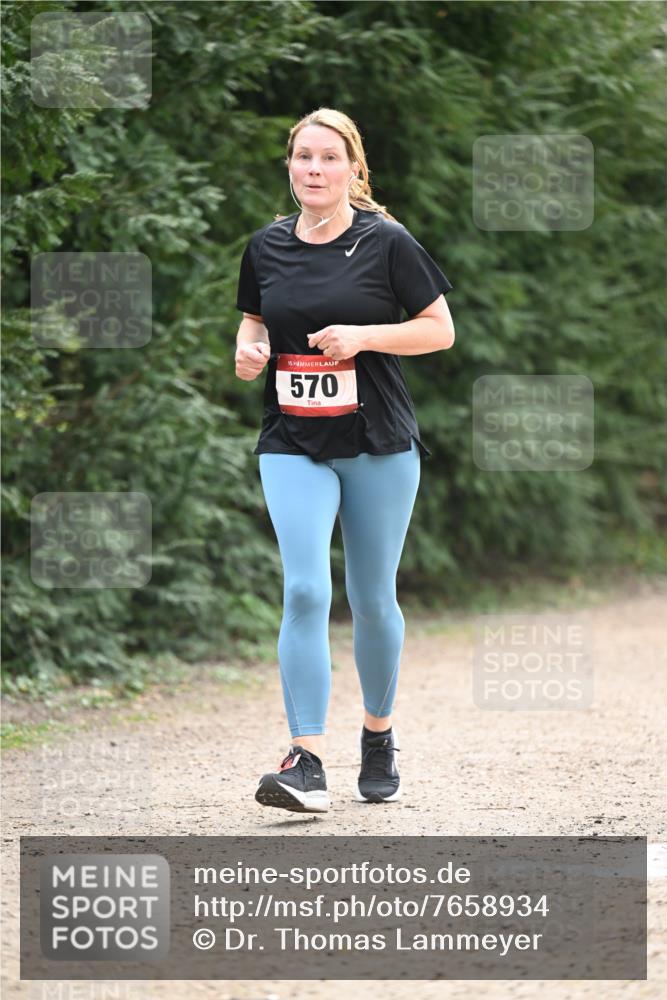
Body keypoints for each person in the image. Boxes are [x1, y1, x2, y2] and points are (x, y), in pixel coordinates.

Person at [234, 108, 454, 814]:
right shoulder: (265, 246)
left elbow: (438, 331)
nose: (314, 170)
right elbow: (254, 325)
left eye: (329, 158)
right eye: (303, 157)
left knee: (371, 598)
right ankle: (305, 758)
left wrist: (363, 335)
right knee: (303, 590)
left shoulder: (385, 242)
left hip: (377, 442)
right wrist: (247, 351)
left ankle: (378, 735)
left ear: (353, 168)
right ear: (289, 166)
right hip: (292, 440)